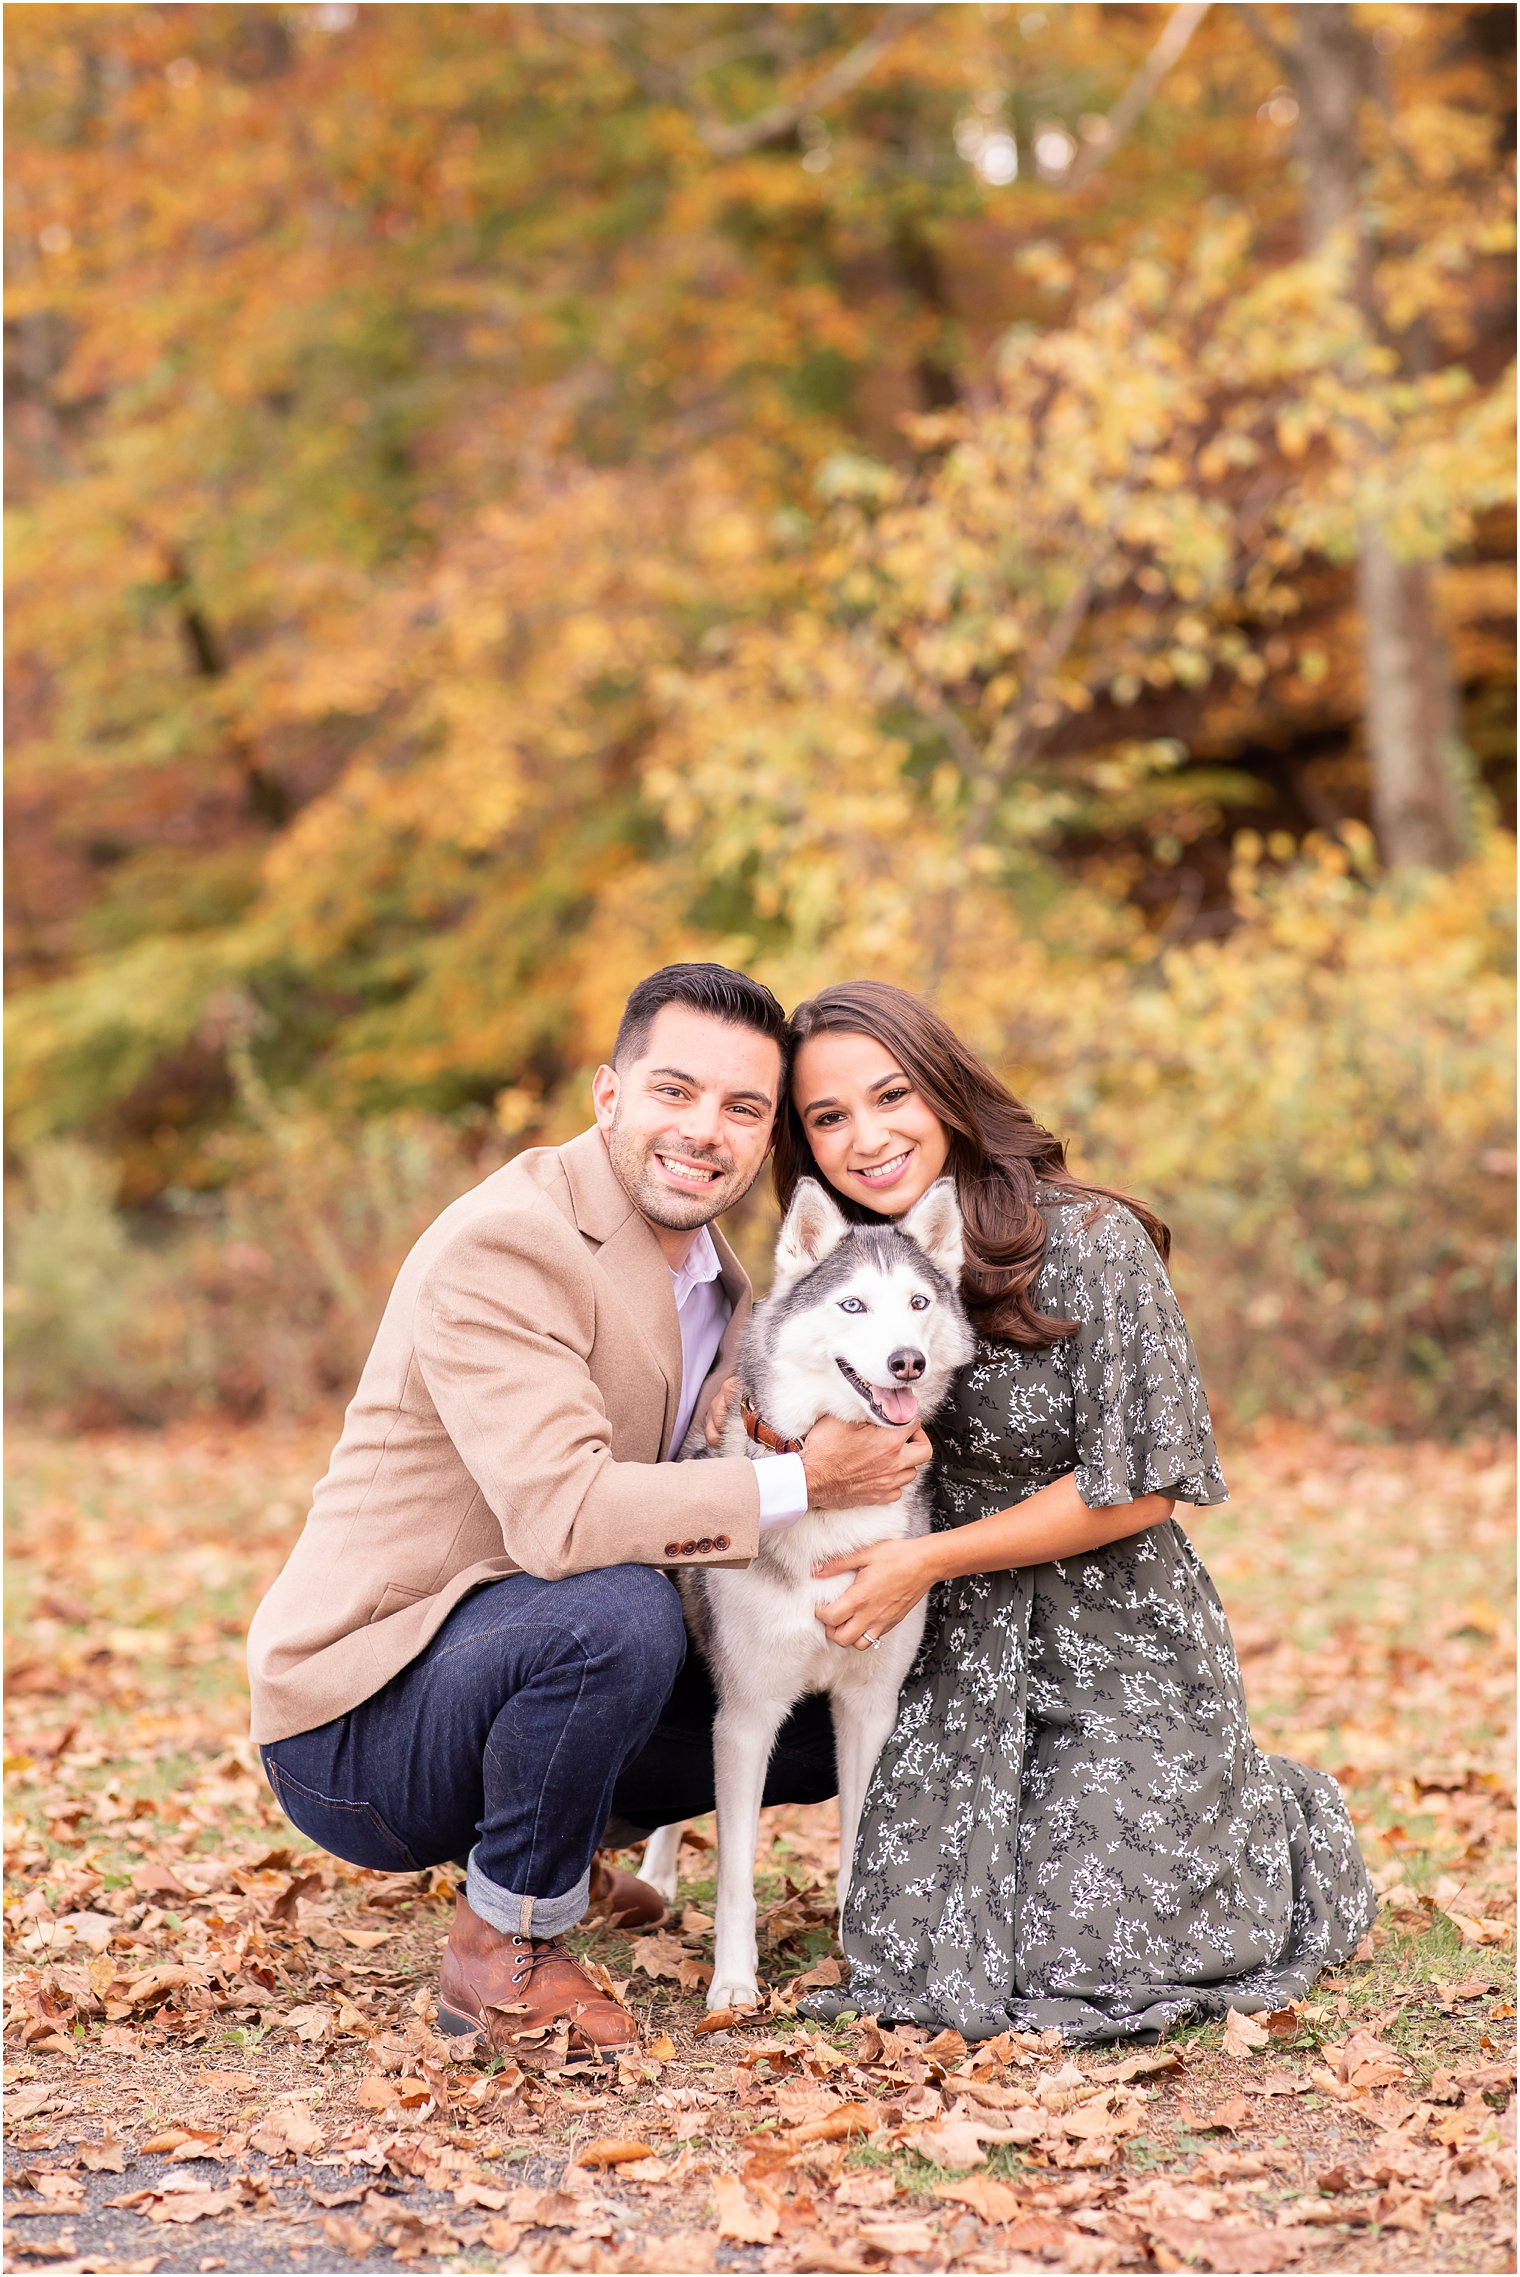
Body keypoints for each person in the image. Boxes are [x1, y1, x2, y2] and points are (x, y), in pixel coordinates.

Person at [247, 963, 931, 2063]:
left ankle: (552, 1839)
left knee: (811, 1695)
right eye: (675, 1091)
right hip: (362, 1724)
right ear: (608, 1095)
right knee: (610, 1611)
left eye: (741, 1109)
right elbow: (561, 1519)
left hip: (501, 1669)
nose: (703, 1130)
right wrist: (806, 1481)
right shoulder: (506, 1244)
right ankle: (501, 1949)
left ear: (764, 1143)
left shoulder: (728, 1287)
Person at [768, 978, 1377, 2044]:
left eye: (890, 1096)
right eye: (827, 1118)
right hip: (950, 1654)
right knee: (924, 1955)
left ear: (945, 1091)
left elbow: (1142, 1487)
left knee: (1090, 1952)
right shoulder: (841, 1280)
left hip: (1116, 1638)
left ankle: (1271, 1815)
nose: (864, 1137)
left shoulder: (1091, 1239)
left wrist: (925, 1561)